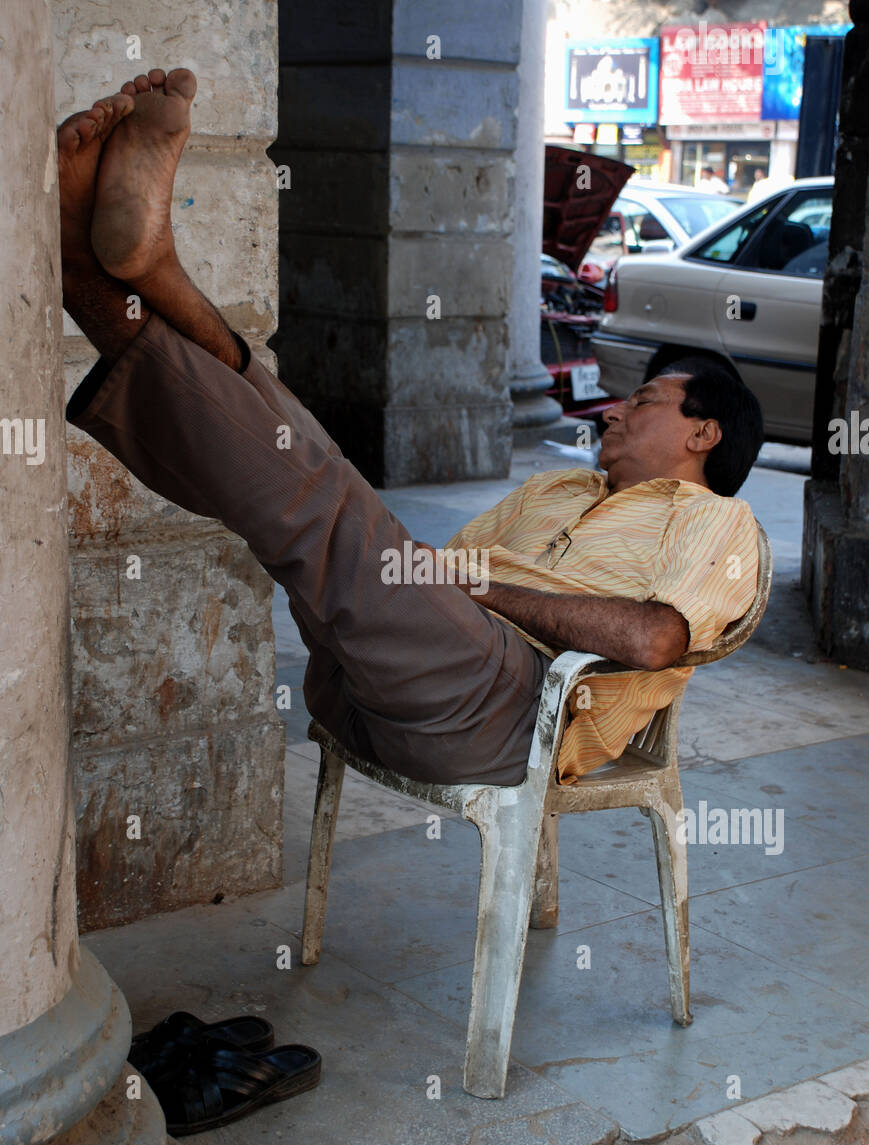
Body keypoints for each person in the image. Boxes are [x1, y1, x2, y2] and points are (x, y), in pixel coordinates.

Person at [58, 69, 764, 790]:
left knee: (320, 502)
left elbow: (653, 641)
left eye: (643, 401)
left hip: (506, 718)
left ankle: (90, 271)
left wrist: (484, 590)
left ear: (702, 435)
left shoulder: (719, 522)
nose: (615, 409)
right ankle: (147, 272)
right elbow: (418, 578)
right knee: (306, 460)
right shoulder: (562, 486)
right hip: (379, 686)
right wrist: (442, 576)